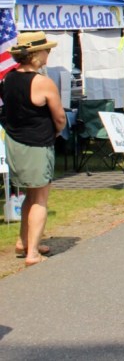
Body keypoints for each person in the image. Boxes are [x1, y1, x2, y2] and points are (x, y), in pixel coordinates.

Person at [0, 32, 65, 266]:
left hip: (15, 142)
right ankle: (32, 252)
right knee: (40, 198)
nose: (49, 53)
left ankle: (23, 241)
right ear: (37, 54)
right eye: (46, 50)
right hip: (37, 143)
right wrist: (57, 131)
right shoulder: (43, 82)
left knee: (29, 193)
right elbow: (59, 117)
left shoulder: (8, 79)